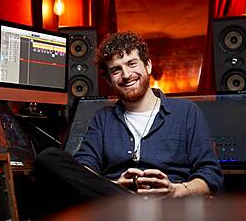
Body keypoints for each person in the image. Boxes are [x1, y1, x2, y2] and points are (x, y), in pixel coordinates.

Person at [32, 31, 223, 217]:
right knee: (48, 159)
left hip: (169, 210)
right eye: (116, 70)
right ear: (109, 79)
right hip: (116, 211)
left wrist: (175, 190)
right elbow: (83, 172)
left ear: (147, 65)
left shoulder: (186, 112)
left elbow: (211, 175)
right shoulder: (103, 118)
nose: (126, 74)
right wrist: (114, 185)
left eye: (132, 64)